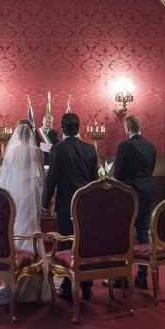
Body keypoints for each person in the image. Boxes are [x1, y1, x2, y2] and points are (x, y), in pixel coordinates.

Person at [0, 121, 50, 305]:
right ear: (30, 132)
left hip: (15, 194)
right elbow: (41, 177)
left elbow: (7, 174)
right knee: (32, 229)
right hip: (31, 195)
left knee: (16, 229)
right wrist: (41, 197)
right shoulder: (37, 151)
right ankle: (34, 278)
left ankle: (13, 276)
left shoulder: (11, 151)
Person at [43, 112, 98, 301]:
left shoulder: (58, 150)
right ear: (79, 127)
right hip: (86, 204)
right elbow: (94, 181)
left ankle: (68, 286)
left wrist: (44, 203)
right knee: (84, 242)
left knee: (66, 244)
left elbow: (52, 180)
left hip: (66, 204)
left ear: (62, 127)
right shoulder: (90, 149)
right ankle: (87, 286)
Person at [112, 115, 159, 290]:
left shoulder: (124, 146)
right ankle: (141, 276)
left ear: (127, 128)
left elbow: (118, 174)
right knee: (143, 234)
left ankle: (122, 276)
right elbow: (151, 169)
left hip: (129, 196)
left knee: (124, 235)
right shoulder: (151, 146)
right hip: (148, 194)